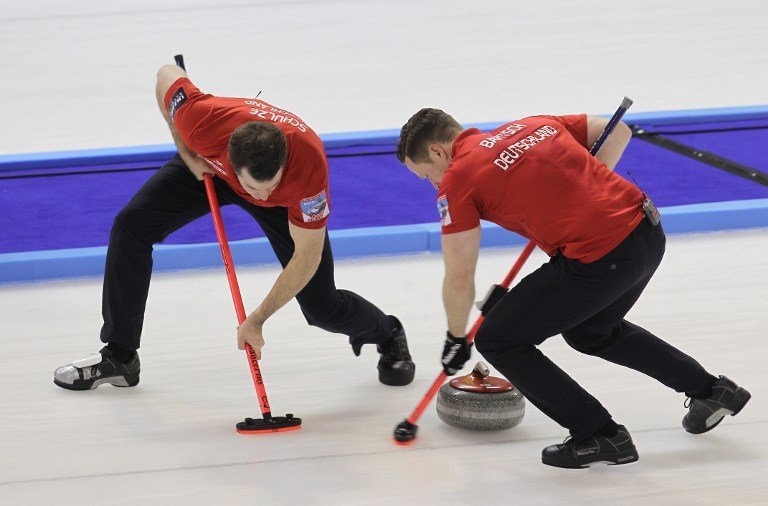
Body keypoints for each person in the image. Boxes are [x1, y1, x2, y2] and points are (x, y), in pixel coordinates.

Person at [395, 108, 751, 468]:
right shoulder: (531, 124)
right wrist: (585, 190)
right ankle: (712, 390)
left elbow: (459, 276)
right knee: (591, 331)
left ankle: (598, 433)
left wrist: (457, 338)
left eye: (426, 175)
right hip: (646, 231)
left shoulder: (458, 179)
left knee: (498, 340)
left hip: (603, 257)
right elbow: (617, 131)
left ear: (439, 152)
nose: (434, 184)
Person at [53, 64, 415, 391]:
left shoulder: (307, 168)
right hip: (210, 169)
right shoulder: (201, 121)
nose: (263, 192)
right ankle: (120, 354)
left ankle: (388, 332)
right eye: (257, 187)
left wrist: (257, 319)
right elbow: (165, 74)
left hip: (283, 206)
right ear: (231, 158)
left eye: (271, 183)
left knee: (321, 306)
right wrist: (186, 150)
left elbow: (307, 257)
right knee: (130, 226)